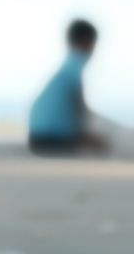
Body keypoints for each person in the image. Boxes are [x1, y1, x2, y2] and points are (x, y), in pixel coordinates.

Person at [27, 19, 107, 156]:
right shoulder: (75, 66)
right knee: (103, 143)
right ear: (87, 42)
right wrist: (87, 136)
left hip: (35, 137)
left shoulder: (66, 66)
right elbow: (79, 108)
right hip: (56, 140)